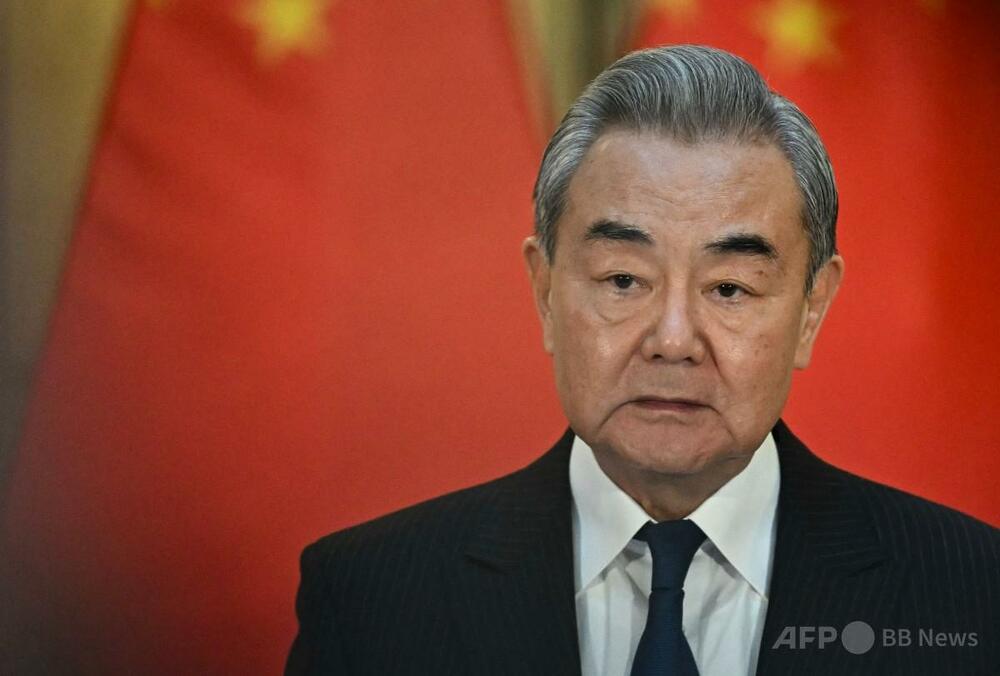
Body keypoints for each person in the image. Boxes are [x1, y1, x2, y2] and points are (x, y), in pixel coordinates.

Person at [285, 45, 999, 675]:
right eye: (624, 280)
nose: (673, 339)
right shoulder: (370, 599)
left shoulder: (974, 594)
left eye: (729, 288)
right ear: (545, 292)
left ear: (812, 308)